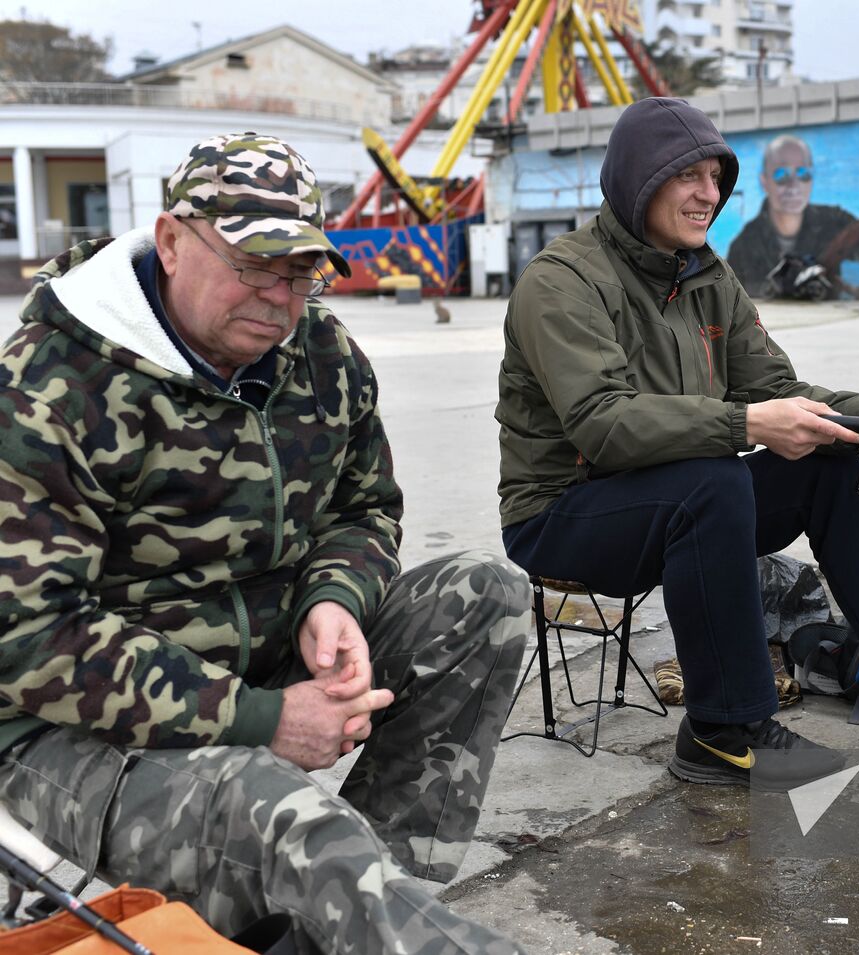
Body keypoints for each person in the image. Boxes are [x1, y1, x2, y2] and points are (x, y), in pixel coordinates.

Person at [0, 133, 529, 955]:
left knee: (483, 594)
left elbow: (366, 508)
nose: (282, 297)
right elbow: (32, 637)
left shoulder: (322, 356)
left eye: (301, 270)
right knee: (275, 807)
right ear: (172, 240)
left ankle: (355, 902)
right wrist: (259, 719)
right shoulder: (50, 385)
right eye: (255, 264)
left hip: (265, 664)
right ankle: (349, 897)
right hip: (69, 734)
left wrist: (335, 598)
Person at [495, 97, 859, 791]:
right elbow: (603, 425)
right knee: (714, 480)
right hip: (564, 512)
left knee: (829, 459)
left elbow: (774, 385)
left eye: (716, 178)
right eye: (688, 176)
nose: (709, 195)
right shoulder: (562, 281)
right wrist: (746, 426)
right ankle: (721, 729)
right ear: (640, 177)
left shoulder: (705, 273)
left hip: (681, 499)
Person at [726, 133, 855, 298]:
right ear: (764, 182)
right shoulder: (743, 247)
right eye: (781, 175)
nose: (794, 186)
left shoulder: (836, 223)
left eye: (803, 174)